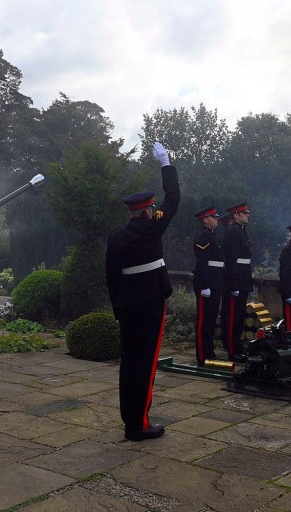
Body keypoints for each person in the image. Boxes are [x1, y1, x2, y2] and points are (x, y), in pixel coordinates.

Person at [105, 141, 179, 442]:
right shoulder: (152, 228)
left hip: (127, 305)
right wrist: (166, 163)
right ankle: (139, 424)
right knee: (146, 364)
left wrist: (118, 308)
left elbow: (111, 277)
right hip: (149, 303)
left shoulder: (116, 237)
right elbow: (173, 198)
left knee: (130, 361)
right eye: (152, 207)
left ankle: (129, 420)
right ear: (148, 210)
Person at [191, 206, 225, 366]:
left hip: (216, 282)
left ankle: (209, 351)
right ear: (205, 220)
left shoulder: (213, 237)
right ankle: (202, 355)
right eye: (214, 217)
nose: (217, 219)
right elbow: (202, 263)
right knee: (204, 321)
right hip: (207, 283)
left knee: (211, 320)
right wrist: (204, 285)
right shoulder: (203, 237)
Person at [221, 202, 253, 362]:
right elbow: (231, 261)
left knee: (239, 316)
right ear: (236, 215)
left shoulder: (241, 231)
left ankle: (237, 346)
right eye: (244, 213)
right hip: (237, 279)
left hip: (243, 277)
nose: (248, 215)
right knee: (234, 317)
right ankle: (233, 350)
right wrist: (233, 284)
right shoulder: (232, 232)